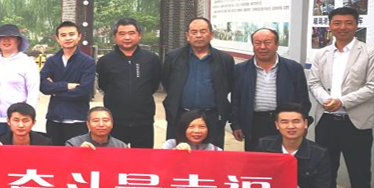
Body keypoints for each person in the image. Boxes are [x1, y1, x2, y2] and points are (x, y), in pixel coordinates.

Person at [308, 6, 374, 188]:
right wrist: (326, 100)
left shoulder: (370, 53)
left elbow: (373, 86)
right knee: (326, 170)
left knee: (360, 172)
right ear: (330, 26)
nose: (342, 27)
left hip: (355, 122)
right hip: (327, 120)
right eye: (337, 23)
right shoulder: (321, 54)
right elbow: (314, 83)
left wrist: (343, 102)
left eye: (348, 23)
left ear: (357, 25)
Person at [231, 28, 310, 151]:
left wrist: (301, 124)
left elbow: (303, 99)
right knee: (256, 159)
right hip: (254, 123)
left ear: (277, 45)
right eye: (257, 43)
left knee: (283, 158)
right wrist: (236, 125)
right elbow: (236, 99)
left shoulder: (293, 68)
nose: (262, 47)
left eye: (267, 42)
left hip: (285, 122)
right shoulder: (240, 69)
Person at [162, 17, 234, 150]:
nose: (199, 35)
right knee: (178, 154)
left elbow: (227, 85)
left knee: (212, 157)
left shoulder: (225, 59)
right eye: (194, 32)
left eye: (203, 31)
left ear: (211, 35)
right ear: (187, 36)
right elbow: (168, 83)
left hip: (212, 117)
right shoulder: (173, 57)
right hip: (180, 116)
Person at [95, 18, 161, 148]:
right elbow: (103, 85)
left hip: (144, 121)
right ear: (115, 36)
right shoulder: (105, 61)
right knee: (115, 158)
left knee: (143, 159)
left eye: (131, 33)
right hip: (115, 122)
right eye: (122, 33)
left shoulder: (151, 59)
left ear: (139, 35)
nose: (127, 37)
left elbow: (154, 85)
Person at [39, 22, 96, 146]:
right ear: (57, 39)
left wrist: (55, 91)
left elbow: (84, 91)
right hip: (54, 118)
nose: (68, 38)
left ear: (79, 36)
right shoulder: (52, 61)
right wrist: (66, 86)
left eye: (71, 34)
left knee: (76, 155)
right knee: (55, 155)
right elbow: (42, 86)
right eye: (63, 35)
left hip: (77, 118)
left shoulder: (87, 62)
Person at [0, 24, 40, 141]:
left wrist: (27, 117)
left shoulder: (27, 63)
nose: (6, 40)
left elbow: (33, 93)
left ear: (18, 41)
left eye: (11, 37)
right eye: (2, 37)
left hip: (18, 119)